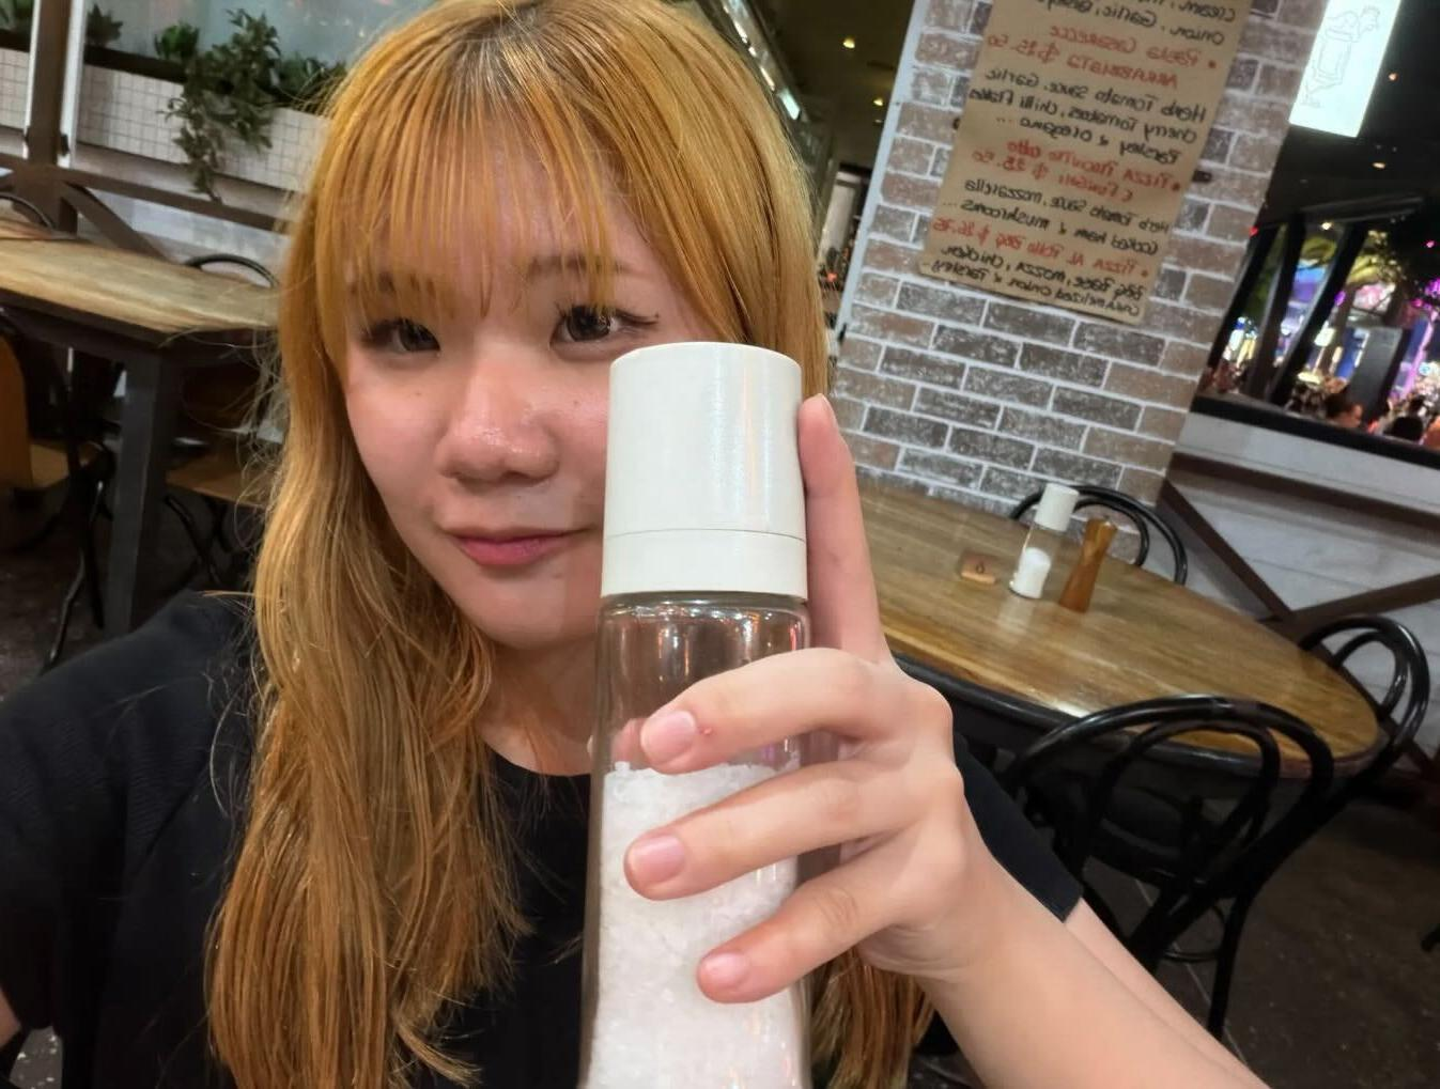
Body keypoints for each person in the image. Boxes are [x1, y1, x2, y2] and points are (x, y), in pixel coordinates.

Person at [0, 2, 1266, 1087]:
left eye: (589, 320)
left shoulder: (845, 771)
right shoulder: (153, 742)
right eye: (403, 333)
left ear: (749, 361)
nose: (487, 441)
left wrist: (978, 925)